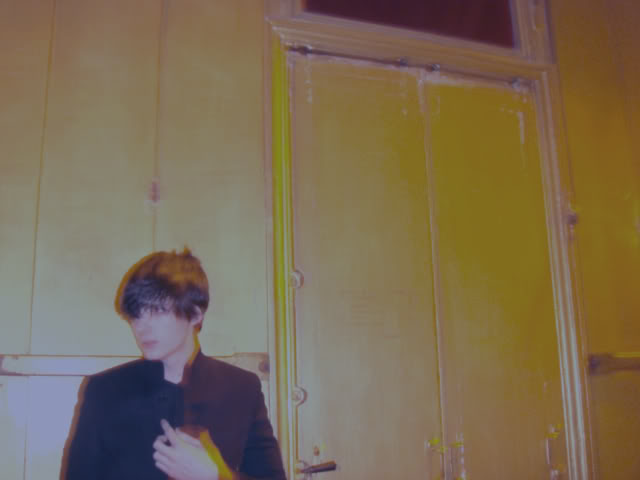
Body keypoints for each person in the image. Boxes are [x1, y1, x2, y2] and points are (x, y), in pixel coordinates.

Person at [61, 248, 287, 480]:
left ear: (196, 314)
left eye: (157, 311)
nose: (142, 327)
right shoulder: (104, 390)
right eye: (136, 315)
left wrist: (216, 476)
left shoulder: (242, 388)